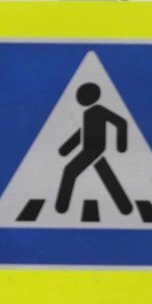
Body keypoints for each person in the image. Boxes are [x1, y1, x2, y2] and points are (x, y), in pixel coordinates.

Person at [54, 82, 133, 216]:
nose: (79, 99)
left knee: (70, 171)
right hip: (91, 149)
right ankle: (125, 207)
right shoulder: (89, 113)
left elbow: (121, 123)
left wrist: (121, 146)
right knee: (106, 174)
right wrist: (66, 149)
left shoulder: (100, 110)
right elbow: (82, 133)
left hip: (95, 149)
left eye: (82, 95)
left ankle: (61, 207)